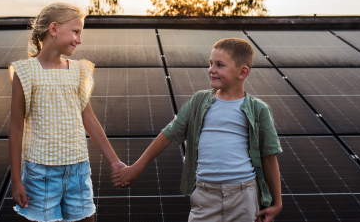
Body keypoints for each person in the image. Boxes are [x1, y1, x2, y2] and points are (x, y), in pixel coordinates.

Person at [111, 38, 282, 222]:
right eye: (211, 63)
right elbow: (169, 134)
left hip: (243, 196)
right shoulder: (199, 101)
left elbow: (269, 156)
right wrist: (137, 167)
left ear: (242, 72)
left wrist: (277, 203)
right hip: (204, 194)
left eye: (220, 65)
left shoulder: (258, 110)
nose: (212, 69)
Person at [9, 3, 126, 222]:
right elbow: (16, 128)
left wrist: (114, 162)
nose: (79, 40)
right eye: (76, 32)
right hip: (40, 175)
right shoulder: (25, 73)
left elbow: (89, 119)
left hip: (78, 171)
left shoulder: (78, 71)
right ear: (53, 29)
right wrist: (16, 180)